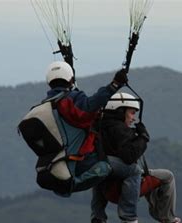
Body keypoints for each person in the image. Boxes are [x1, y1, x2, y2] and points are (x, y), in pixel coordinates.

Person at [90, 92, 182, 223]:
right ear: (119, 111)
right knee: (167, 176)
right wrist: (143, 137)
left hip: (107, 188)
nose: (133, 118)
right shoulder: (119, 129)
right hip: (121, 189)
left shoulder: (100, 126)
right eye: (131, 113)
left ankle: (99, 219)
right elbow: (129, 156)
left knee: (102, 170)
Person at [43, 61, 128, 191]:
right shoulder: (70, 100)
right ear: (71, 79)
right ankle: (73, 185)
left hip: (56, 162)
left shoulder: (45, 106)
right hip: (80, 161)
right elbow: (90, 106)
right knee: (127, 169)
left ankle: (98, 211)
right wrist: (114, 85)